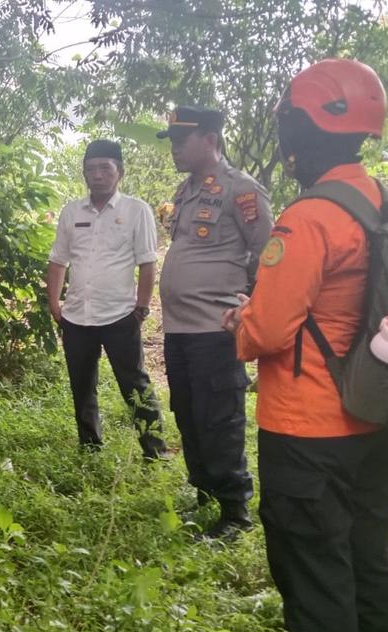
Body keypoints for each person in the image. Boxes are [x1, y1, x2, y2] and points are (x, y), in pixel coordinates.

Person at [223, 59, 388, 632]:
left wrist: (240, 324)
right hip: (376, 418)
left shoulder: (308, 218)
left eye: (289, 123)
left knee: (315, 571)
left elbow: (270, 330)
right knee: (367, 551)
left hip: (307, 431)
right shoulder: (384, 204)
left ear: (305, 129)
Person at [157, 106, 274, 540]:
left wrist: (252, 309)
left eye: (180, 140)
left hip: (215, 328)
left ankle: (235, 512)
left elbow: (268, 255)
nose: (174, 149)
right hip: (179, 329)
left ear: (210, 138)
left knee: (219, 417)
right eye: (170, 140)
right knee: (187, 413)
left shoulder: (242, 190)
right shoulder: (186, 191)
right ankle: (204, 491)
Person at [46, 140, 170, 460]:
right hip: (76, 317)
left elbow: (147, 263)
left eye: (105, 168)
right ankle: (90, 447)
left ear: (119, 172)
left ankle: (155, 451)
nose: (97, 175)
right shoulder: (72, 211)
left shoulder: (136, 210)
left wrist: (141, 308)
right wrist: (55, 305)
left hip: (119, 315)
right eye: (91, 169)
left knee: (135, 385)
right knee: (82, 386)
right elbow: (58, 260)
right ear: (84, 174)